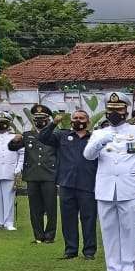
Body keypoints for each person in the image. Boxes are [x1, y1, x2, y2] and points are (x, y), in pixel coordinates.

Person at [84, 93, 135, 271]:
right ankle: (112, 270)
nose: (114, 113)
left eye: (118, 110)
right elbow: (88, 155)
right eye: (110, 110)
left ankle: (129, 270)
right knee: (108, 230)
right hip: (105, 188)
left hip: (129, 186)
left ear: (126, 110)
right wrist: (101, 140)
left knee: (129, 229)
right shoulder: (100, 133)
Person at [39, 109, 99, 260]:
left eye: (82, 118)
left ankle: (89, 251)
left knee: (89, 219)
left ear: (88, 121)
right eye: (75, 118)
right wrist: (53, 123)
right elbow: (43, 137)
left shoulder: (95, 138)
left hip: (88, 184)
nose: (78, 120)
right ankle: (71, 250)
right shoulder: (62, 135)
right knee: (68, 219)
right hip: (66, 184)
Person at [9, 104, 59, 244]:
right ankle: (38, 236)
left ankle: (49, 236)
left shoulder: (54, 135)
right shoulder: (27, 135)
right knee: (35, 208)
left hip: (49, 175)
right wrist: (14, 140)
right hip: (32, 176)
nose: (39, 121)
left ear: (48, 119)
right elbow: (12, 148)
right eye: (36, 118)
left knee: (50, 208)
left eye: (42, 118)